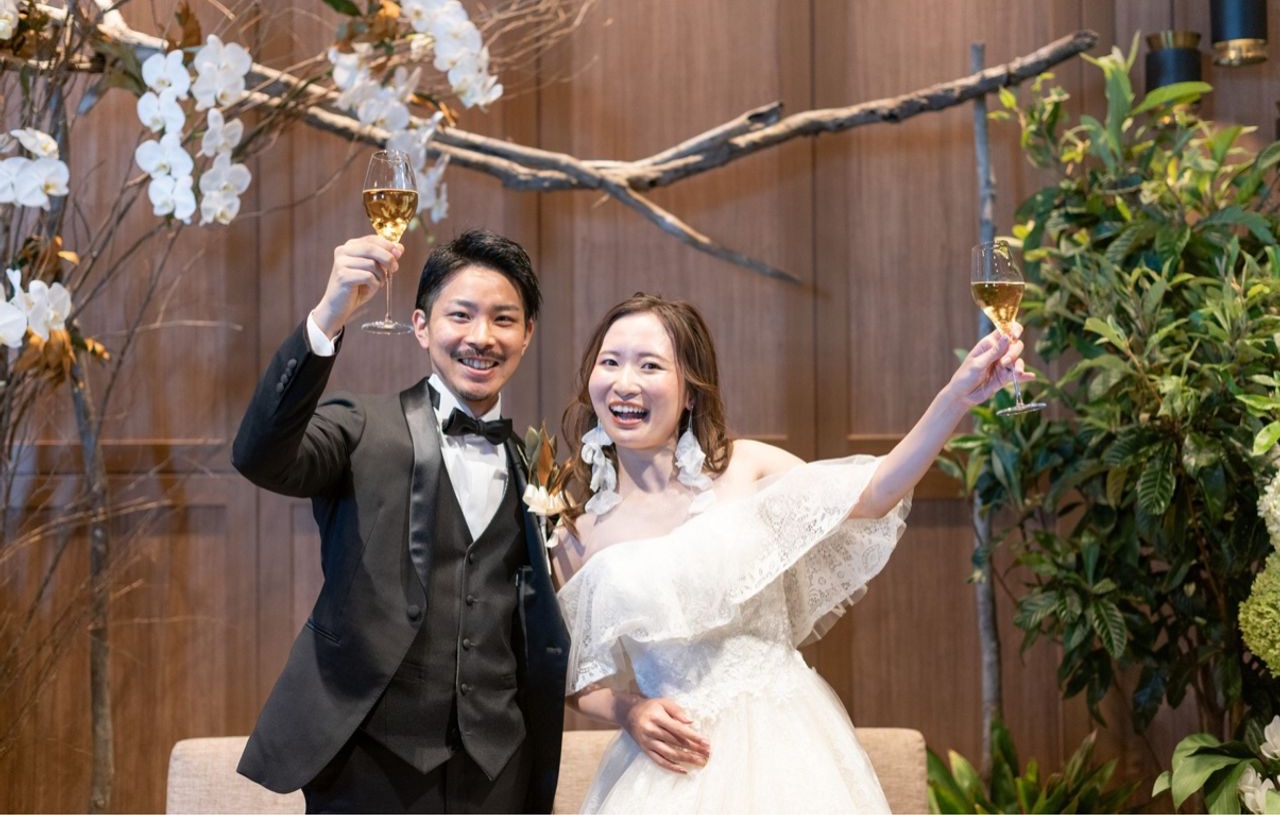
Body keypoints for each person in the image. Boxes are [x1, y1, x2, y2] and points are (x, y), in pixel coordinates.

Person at [550, 293, 1029, 813]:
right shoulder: (577, 534)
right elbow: (569, 674)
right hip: (668, 765)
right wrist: (628, 711)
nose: (625, 383)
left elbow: (873, 492)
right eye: (610, 362)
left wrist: (956, 397)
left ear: (690, 391)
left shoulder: (747, 468)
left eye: (650, 366)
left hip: (785, 747)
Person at [232, 229, 570, 814]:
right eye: (460, 315)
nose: (481, 337)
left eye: (503, 319)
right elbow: (260, 456)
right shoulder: (359, 426)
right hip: (369, 766)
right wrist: (328, 316)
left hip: (498, 770)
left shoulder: (533, 465)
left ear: (528, 335)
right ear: (420, 326)